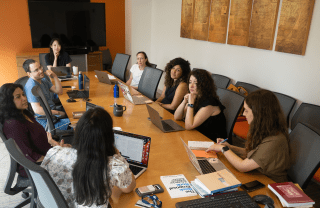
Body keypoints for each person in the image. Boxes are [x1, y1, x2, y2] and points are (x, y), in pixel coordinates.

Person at [41, 108, 136, 207]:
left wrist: (66, 149)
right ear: (109, 137)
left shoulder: (55, 152)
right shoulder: (114, 166)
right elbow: (129, 188)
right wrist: (117, 155)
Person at [206, 89, 290, 183]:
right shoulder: (266, 129)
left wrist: (223, 149)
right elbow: (253, 153)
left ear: (258, 114)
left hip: (270, 184)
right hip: (258, 175)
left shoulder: (274, 140)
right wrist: (229, 147)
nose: (243, 114)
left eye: (246, 110)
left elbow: (242, 166)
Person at [0, 83, 66, 178]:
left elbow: (38, 139)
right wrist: (56, 160)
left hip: (45, 157)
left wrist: (55, 146)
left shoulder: (25, 114)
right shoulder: (14, 124)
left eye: (23, 94)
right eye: (18, 97)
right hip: (34, 168)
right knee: (80, 166)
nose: (24, 98)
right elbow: (29, 156)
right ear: (8, 101)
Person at [174, 69, 227, 142]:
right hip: (197, 135)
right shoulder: (195, 97)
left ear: (203, 85)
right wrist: (184, 102)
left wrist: (190, 104)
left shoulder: (209, 104)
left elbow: (189, 126)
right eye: (190, 82)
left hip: (211, 142)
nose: (191, 86)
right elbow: (177, 117)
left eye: (195, 83)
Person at [23, 59, 70, 130]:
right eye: (36, 70)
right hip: (47, 120)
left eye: (40, 67)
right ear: (29, 74)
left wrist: (55, 76)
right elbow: (38, 110)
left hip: (53, 113)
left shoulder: (43, 80)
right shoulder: (31, 87)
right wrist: (59, 113)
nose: (41, 71)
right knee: (78, 124)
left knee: (76, 113)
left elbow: (59, 91)